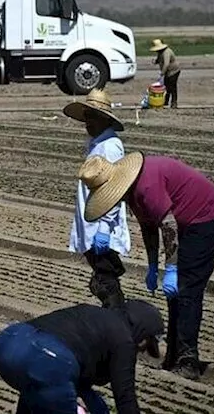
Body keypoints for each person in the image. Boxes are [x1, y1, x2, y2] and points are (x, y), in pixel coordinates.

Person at [80, 152, 214, 380]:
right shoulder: (133, 191)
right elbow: (149, 228)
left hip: (206, 219)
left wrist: (172, 270)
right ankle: (174, 355)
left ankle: (188, 360)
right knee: (175, 294)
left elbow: (168, 226)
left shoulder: (146, 187)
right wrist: (153, 265)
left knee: (187, 290)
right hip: (184, 221)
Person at [0, 300, 163, 414]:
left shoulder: (92, 315)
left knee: (40, 395)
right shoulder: (124, 340)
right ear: (141, 331)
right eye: (144, 345)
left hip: (7, 341)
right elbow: (125, 397)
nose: (140, 351)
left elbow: (72, 382)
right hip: (47, 358)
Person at [62, 88, 132, 310]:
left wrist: (103, 226)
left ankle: (117, 322)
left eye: (91, 118)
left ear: (103, 119)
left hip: (102, 228)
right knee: (103, 280)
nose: (87, 123)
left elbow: (114, 188)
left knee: (105, 282)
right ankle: (115, 320)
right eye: (86, 118)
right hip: (92, 222)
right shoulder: (98, 143)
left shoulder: (110, 147)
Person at [149, 39, 181, 108]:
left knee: (172, 87)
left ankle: (174, 103)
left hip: (174, 71)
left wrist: (162, 73)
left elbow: (166, 64)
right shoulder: (160, 53)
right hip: (168, 72)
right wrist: (155, 61)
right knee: (166, 87)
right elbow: (159, 59)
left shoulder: (166, 52)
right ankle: (165, 102)